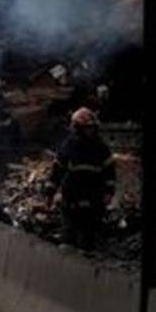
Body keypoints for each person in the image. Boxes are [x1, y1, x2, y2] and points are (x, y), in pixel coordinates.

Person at [50, 107, 116, 252]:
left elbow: (109, 172)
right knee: (69, 230)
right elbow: (58, 169)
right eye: (87, 128)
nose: (90, 131)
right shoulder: (68, 146)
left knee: (89, 232)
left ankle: (86, 256)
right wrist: (51, 190)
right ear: (77, 128)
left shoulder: (100, 147)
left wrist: (109, 192)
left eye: (92, 128)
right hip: (72, 195)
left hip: (93, 195)